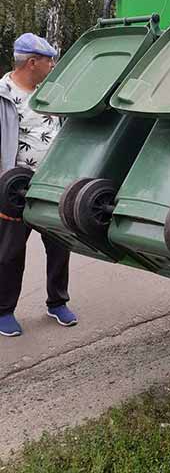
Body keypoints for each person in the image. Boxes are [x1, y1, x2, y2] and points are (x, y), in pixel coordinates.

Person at [0, 33, 77, 337]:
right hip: (15, 190)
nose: (53, 64)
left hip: (52, 184)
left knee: (60, 245)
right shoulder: (3, 93)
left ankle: (57, 302)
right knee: (9, 252)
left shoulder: (49, 92)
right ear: (32, 62)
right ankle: (4, 310)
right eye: (49, 60)